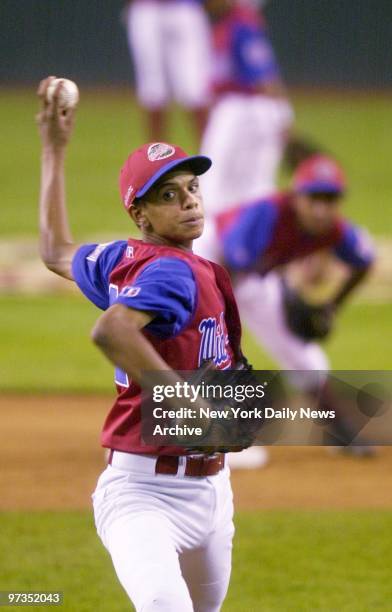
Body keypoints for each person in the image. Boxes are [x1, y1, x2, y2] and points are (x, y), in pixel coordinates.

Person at [37, 76, 245, 611]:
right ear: (141, 214)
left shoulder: (122, 258)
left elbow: (56, 250)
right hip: (143, 497)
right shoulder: (171, 273)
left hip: (212, 493)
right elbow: (112, 329)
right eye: (168, 196)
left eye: (192, 187)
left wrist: (54, 151)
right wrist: (189, 403)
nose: (189, 202)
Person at [195, 154, 375, 464]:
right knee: (212, 347)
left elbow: (363, 262)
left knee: (304, 356)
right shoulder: (266, 213)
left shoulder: (335, 230)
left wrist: (331, 306)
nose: (321, 208)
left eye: (330, 199)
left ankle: (340, 430)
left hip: (252, 275)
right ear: (296, 196)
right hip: (210, 260)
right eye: (314, 197)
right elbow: (231, 268)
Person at [200, 0, 293, 212]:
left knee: (215, 183)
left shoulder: (242, 26)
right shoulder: (231, 25)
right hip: (243, 109)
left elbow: (264, 76)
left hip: (243, 109)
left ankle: (210, 240)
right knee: (252, 187)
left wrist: (283, 114)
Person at [123, 0, 212, 141]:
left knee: (196, 90)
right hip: (147, 8)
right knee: (153, 91)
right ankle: (156, 160)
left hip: (185, 8)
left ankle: (211, 156)